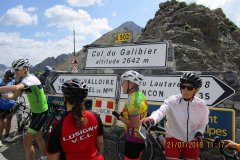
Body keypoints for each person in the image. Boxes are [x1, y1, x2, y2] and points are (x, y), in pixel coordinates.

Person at [141, 72, 209, 160]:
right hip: (173, 138)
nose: (185, 90)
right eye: (183, 87)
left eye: (189, 88)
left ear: (196, 90)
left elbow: (204, 121)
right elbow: (161, 111)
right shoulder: (172, 101)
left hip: (192, 140)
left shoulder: (201, 105)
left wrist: (200, 131)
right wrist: (152, 119)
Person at [0, 59, 48, 160]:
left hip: (41, 113)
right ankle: (44, 157)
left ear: (25, 69)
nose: (15, 71)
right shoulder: (24, 80)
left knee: (26, 142)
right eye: (14, 69)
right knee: (38, 137)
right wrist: (2, 95)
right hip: (36, 112)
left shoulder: (30, 79)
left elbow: (16, 88)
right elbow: (13, 96)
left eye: (17, 69)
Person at [47, 78, 104, 160]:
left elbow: (52, 157)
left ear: (65, 98)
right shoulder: (95, 116)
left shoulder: (58, 126)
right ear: (83, 99)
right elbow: (100, 143)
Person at [112, 70, 148, 160]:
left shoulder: (132, 101)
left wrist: (119, 117)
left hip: (133, 139)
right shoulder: (140, 95)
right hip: (141, 136)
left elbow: (134, 124)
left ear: (131, 84)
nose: (121, 85)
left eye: (123, 83)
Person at [0, 68, 16, 146]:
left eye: (9, 78)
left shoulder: (12, 81)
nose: (8, 79)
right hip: (1, 105)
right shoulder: (0, 82)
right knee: (2, 123)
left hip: (11, 104)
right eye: (7, 77)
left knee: (9, 120)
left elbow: (14, 91)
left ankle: (6, 136)